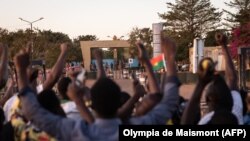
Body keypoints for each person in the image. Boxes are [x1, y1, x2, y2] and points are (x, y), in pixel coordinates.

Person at [14, 34, 179, 140]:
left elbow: (33, 112)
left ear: (92, 104)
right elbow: (168, 102)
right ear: (119, 103)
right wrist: (170, 59)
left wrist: (21, 71)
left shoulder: (76, 131)